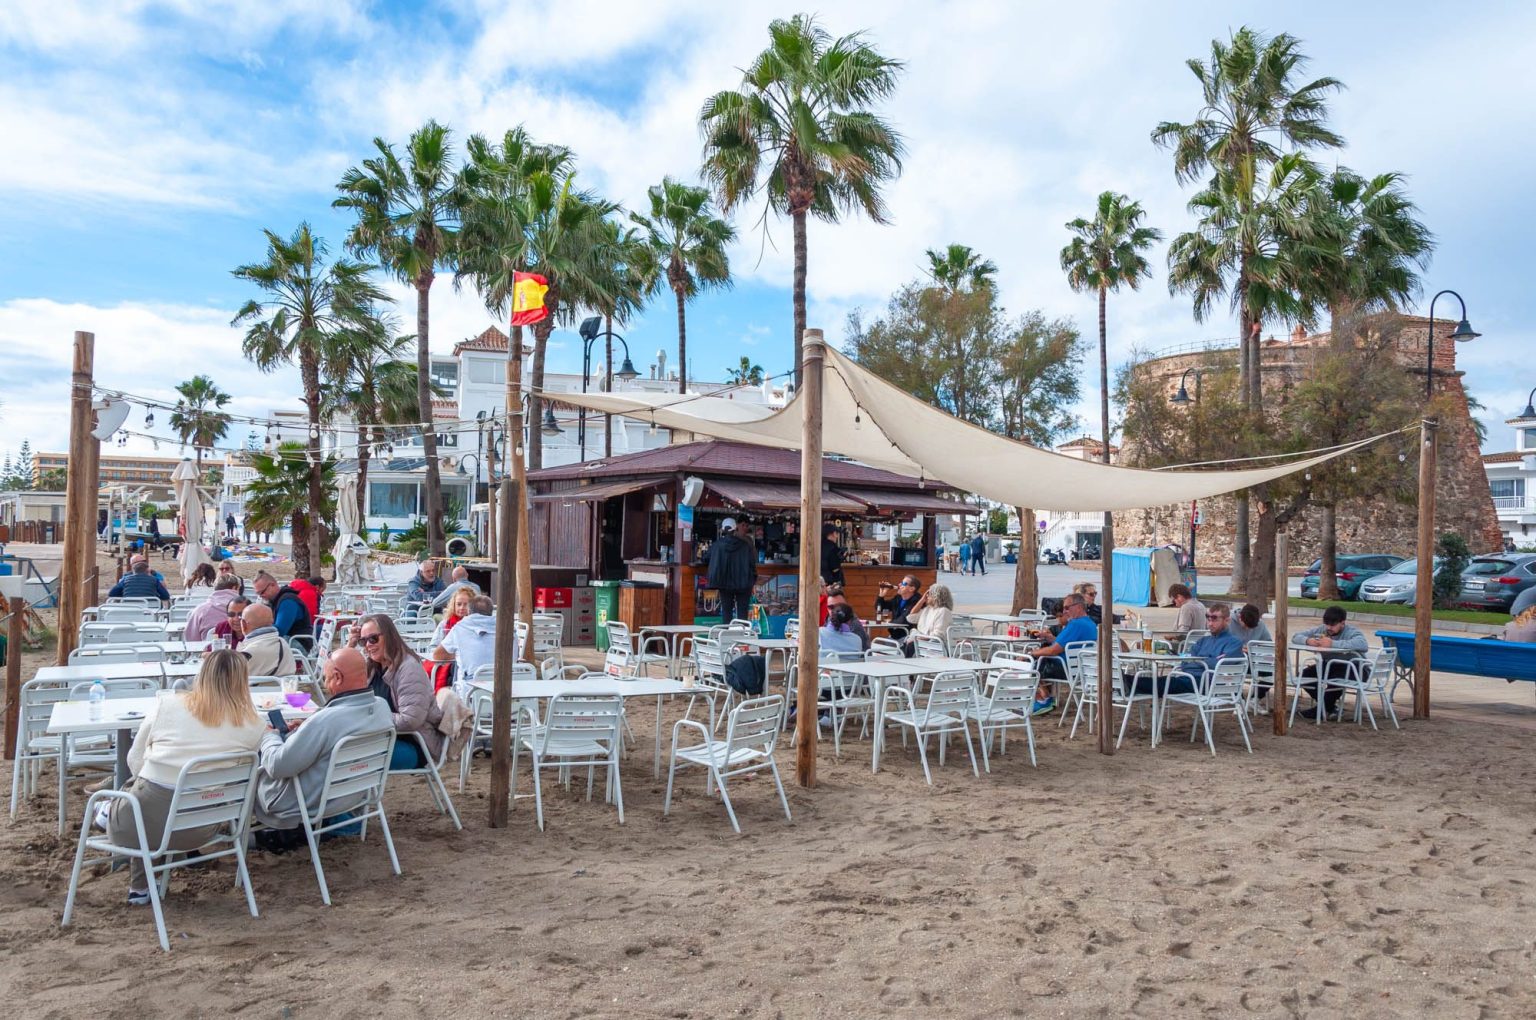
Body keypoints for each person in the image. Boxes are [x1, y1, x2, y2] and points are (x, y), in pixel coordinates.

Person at [110, 649, 266, 904]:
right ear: (243, 681)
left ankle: (138, 880)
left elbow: (134, 760)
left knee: (141, 795)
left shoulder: (167, 705)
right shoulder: (255, 726)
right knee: (159, 801)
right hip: (198, 830)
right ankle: (142, 887)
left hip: (135, 825)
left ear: (201, 675)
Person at [251, 646, 395, 835]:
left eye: (326, 678)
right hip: (353, 795)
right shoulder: (382, 707)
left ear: (338, 677)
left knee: (248, 762)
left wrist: (269, 736)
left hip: (305, 803)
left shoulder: (325, 722)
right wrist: (306, 727)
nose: (325, 685)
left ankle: (245, 835)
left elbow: (277, 766)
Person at [351, 613, 443, 770]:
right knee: (338, 748)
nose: (367, 645)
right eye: (363, 641)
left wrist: (370, 717)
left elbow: (410, 720)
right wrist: (350, 645)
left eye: (373, 639)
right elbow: (339, 680)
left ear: (388, 636)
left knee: (347, 756)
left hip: (415, 745)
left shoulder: (409, 668)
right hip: (384, 738)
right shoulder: (374, 666)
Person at [1124, 603, 1244, 696]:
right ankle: (1128, 682)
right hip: (1189, 678)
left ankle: (1127, 682)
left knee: (1169, 683)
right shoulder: (1203, 641)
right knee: (1167, 681)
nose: (1210, 623)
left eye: (1215, 619)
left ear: (1227, 620)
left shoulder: (1234, 643)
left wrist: (1198, 661)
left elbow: (1218, 665)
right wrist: (1205, 661)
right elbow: (1185, 662)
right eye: (1208, 619)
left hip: (1210, 684)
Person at [1292, 605, 1369, 719]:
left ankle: (1321, 710)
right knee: (1304, 675)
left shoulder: (1352, 632)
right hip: (1330, 665)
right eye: (1326, 624)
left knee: (1336, 679)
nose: (1328, 627)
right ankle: (1329, 707)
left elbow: (1363, 645)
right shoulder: (1321, 630)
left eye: (1332, 625)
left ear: (1342, 623)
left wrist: (1332, 643)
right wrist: (1308, 640)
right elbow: (1295, 636)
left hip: (1355, 668)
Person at [1027, 592, 1098, 716]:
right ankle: (1044, 697)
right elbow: (1068, 645)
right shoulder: (1090, 624)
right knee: (1038, 658)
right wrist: (1051, 638)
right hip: (1082, 669)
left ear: (1079, 607)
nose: (1064, 611)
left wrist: (1031, 653)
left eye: (1067, 607)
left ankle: (1044, 699)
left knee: (1029, 662)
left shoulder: (1075, 624)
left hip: (1066, 669)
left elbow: (1053, 650)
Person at [435, 595, 499, 696]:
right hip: (503, 689)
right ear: (491, 612)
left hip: (470, 693)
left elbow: (438, 655)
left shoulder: (460, 628)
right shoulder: (508, 631)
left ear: (469, 611)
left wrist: (460, 653)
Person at [706, 517, 756, 626]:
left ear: (723, 529)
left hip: (725, 583)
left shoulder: (717, 545)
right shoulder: (745, 545)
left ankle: (726, 635)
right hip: (743, 584)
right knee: (743, 614)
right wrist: (752, 579)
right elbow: (752, 563)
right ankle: (743, 635)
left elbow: (705, 558)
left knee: (726, 612)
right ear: (735, 529)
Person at [426, 587, 475, 692]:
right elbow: (433, 647)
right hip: (446, 664)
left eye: (465, 604)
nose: (462, 608)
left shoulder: (475, 626)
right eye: (459, 604)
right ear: (453, 605)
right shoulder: (445, 624)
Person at [238, 603, 299, 677]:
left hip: (252, 685)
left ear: (243, 624)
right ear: (272, 621)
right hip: (285, 684)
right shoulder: (284, 644)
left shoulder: (247, 654)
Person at [253, 570, 311, 640]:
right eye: (258, 594)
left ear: (272, 585)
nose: (261, 596)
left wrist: (255, 628)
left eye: (262, 592)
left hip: (297, 642)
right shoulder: (275, 601)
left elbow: (279, 631)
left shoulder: (288, 601)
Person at [184, 575, 244, 642]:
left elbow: (191, 638)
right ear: (234, 588)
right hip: (240, 647)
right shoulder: (246, 609)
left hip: (207, 647)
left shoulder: (200, 610)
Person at [903, 582, 954, 655]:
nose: (927, 596)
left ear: (936, 596)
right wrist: (922, 600)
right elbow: (911, 618)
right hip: (924, 642)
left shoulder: (943, 611)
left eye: (929, 594)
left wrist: (917, 638)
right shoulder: (928, 609)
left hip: (935, 645)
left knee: (910, 645)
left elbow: (938, 635)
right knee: (907, 644)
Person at [876, 576, 923, 641]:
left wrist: (890, 623)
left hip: (908, 637)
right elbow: (880, 609)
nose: (899, 584)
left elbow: (904, 619)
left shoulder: (917, 601)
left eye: (903, 583)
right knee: (877, 643)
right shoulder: (898, 598)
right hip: (895, 636)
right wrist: (881, 595)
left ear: (911, 589)